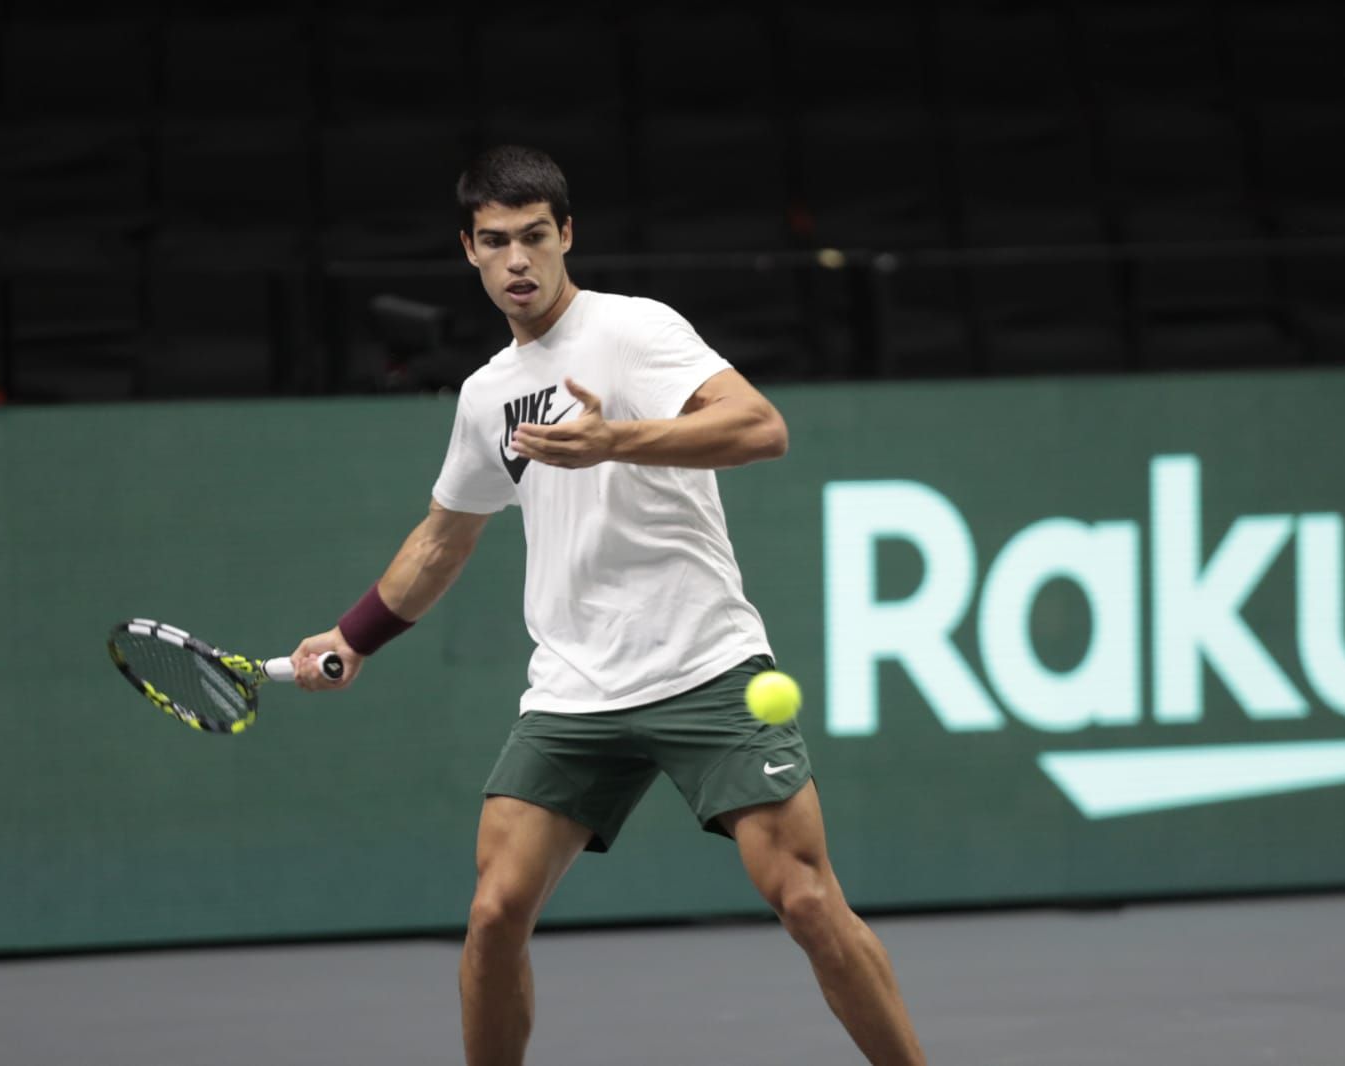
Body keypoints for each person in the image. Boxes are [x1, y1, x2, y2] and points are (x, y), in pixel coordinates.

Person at [290, 145, 928, 1066]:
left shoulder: (635, 331)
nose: (518, 261)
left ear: (566, 237)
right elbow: (442, 538)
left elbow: (761, 428)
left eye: (535, 238)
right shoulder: (484, 398)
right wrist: (353, 638)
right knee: (493, 913)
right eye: (497, 242)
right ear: (467, 248)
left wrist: (614, 440)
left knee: (804, 899)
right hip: (572, 691)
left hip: (705, 667)